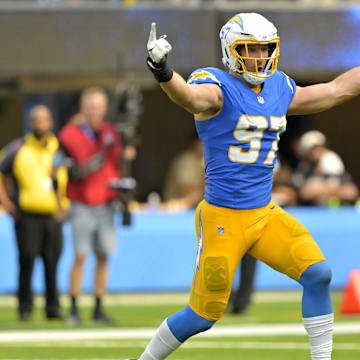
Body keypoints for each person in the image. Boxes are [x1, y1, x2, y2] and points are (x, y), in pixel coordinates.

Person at [131, 12, 360, 360]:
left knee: (318, 274)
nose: (260, 57)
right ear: (231, 50)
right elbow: (190, 97)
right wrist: (162, 71)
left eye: (266, 49)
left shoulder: (280, 87)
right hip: (224, 218)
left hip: (265, 214)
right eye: (251, 49)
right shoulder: (217, 86)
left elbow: (335, 90)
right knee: (202, 316)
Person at [58, 87, 125, 324]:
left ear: (104, 109)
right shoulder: (69, 134)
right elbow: (65, 166)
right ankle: (74, 307)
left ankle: (98, 306)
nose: (94, 112)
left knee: (104, 255)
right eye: (90, 107)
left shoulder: (111, 133)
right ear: (83, 109)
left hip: (106, 201)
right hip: (81, 202)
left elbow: (118, 163)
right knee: (80, 255)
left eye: (98, 107)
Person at [0, 105, 68, 321]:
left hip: (52, 215)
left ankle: (53, 309)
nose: (40, 123)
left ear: (50, 122)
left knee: (52, 262)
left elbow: (65, 178)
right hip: (26, 214)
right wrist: (7, 204)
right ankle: (25, 308)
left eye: (44, 119)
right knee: (27, 260)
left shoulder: (58, 148)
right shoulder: (17, 149)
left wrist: (63, 205)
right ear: (30, 122)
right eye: (36, 119)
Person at [293, 130, 358, 206]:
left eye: (320, 147)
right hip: (310, 212)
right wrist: (331, 189)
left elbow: (351, 192)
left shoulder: (333, 164)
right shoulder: (303, 167)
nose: (317, 152)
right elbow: (302, 193)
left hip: (335, 213)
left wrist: (320, 190)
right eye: (313, 149)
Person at [163, 133, 205, 209]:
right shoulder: (186, 160)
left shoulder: (203, 161)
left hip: (191, 210)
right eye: (203, 143)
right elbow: (191, 193)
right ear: (195, 144)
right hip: (177, 213)